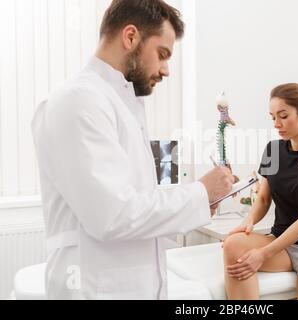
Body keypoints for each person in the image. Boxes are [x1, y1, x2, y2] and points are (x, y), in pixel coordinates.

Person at [31, 0, 234, 300]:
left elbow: (134, 200)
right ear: (130, 37)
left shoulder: (119, 102)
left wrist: (201, 198)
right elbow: (113, 215)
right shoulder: (80, 100)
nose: (166, 70)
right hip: (93, 288)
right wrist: (200, 193)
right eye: (162, 54)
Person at [222, 83, 298, 300]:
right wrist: (249, 221)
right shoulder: (273, 150)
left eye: (283, 116)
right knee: (233, 244)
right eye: (273, 117)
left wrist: (263, 254)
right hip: (281, 244)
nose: (277, 124)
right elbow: (264, 198)